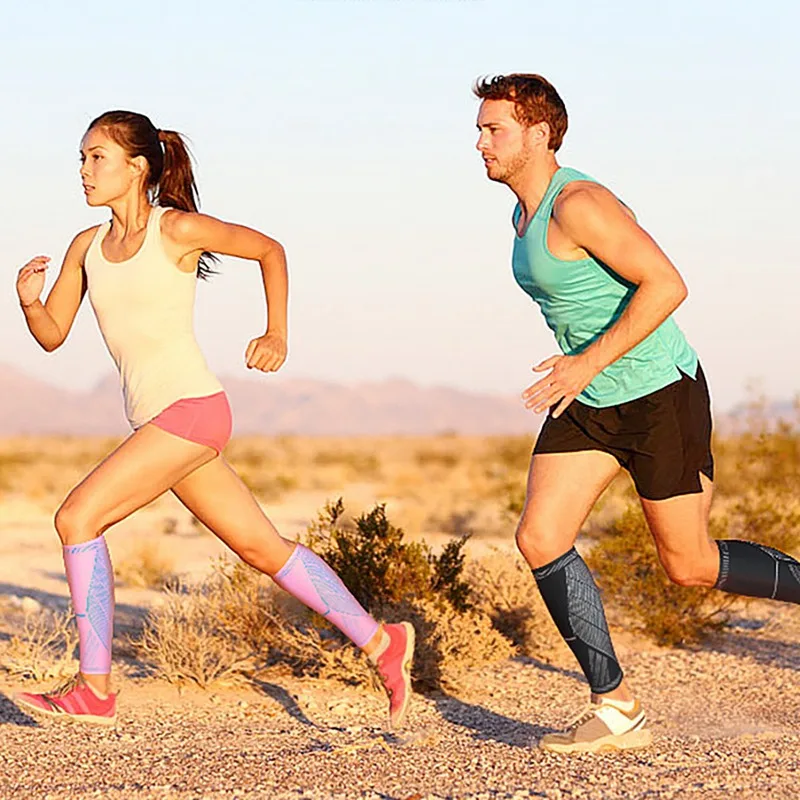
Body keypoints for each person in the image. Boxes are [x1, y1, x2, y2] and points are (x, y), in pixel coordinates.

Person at [14, 110, 414, 728]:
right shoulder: (86, 247)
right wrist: (28, 302)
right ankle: (382, 641)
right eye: (82, 159)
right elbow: (52, 334)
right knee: (261, 547)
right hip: (161, 420)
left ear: (137, 167)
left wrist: (276, 332)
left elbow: (269, 250)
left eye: (97, 158)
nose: (85, 171)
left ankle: (94, 688)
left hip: (192, 410)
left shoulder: (176, 230)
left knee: (77, 518)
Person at [474, 73, 800, 754]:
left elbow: (668, 284)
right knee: (540, 537)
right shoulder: (523, 216)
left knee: (689, 564)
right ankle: (615, 708)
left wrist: (585, 361)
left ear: (540, 133)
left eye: (494, 129)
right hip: (590, 398)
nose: (481, 143)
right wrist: (584, 370)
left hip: (657, 395)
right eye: (480, 130)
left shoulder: (580, 205)